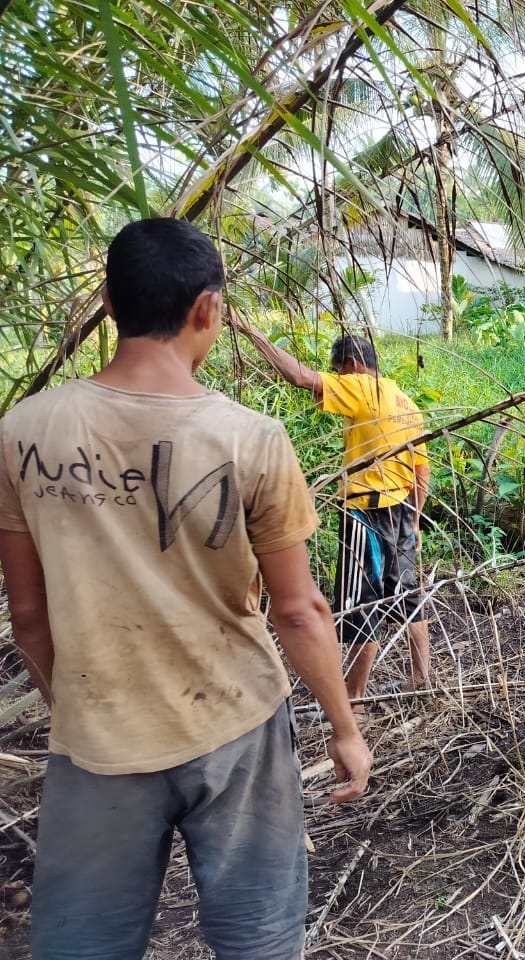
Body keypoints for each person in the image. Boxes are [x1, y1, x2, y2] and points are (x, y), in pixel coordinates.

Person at [0, 218, 373, 958]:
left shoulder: (24, 432)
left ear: (108, 302)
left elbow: (30, 616)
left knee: (83, 944)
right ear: (208, 310)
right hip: (237, 728)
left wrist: (76, 708)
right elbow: (299, 609)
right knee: (258, 939)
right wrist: (344, 726)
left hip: (97, 738)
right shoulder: (252, 438)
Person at [231, 322, 433, 704]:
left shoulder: (362, 387)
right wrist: (415, 520)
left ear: (354, 365)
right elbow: (421, 472)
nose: (337, 382)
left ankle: (352, 699)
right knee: (407, 597)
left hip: (367, 515)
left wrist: (249, 331)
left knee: (361, 606)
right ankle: (421, 678)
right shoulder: (406, 402)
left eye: (338, 373)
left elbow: (298, 377)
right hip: (402, 512)